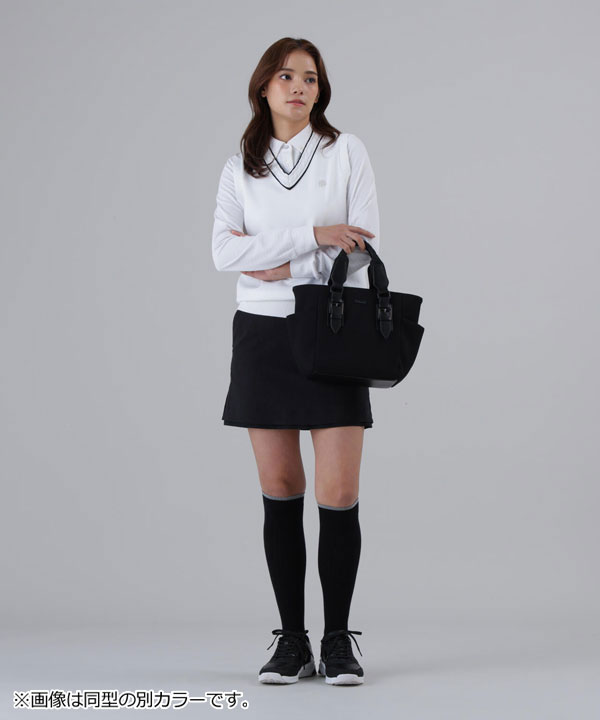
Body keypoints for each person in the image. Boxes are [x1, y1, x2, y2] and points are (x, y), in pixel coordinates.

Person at [212, 37, 380, 686]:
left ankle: (338, 640)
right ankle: (292, 640)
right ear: (264, 87)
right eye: (286, 76)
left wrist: (277, 264)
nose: (300, 87)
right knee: (280, 487)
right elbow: (224, 253)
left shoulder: (346, 151)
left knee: (338, 493)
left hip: (333, 329)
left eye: (310, 78)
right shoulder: (240, 168)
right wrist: (312, 238)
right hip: (262, 335)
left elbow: (360, 249)